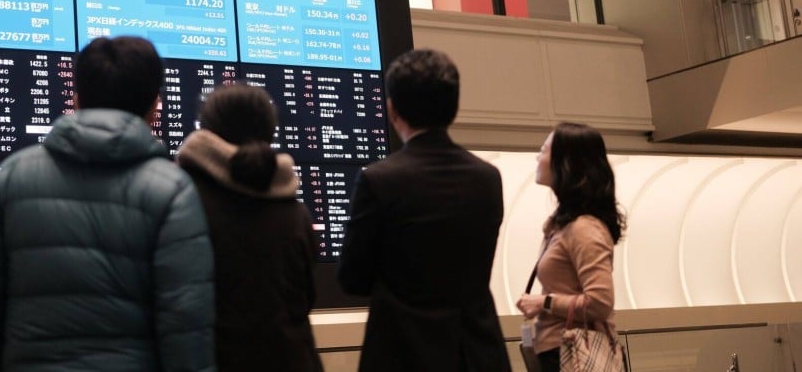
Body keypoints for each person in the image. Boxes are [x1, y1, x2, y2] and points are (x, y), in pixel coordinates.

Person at [0, 36, 215, 372]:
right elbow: (186, 324)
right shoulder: (173, 190)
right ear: (155, 105)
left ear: (75, 99)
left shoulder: (10, 179)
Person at [337, 48, 510, 371]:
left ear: (392, 109)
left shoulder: (378, 179)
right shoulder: (488, 178)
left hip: (402, 354)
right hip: (476, 354)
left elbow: (353, 279)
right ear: (454, 107)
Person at [176, 82, 322, 372]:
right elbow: (306, 299)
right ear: (270, 131)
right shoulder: (296, 212)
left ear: (207, 130)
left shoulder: (184, 202)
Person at [515, 122, 626, 372]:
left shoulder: (584, 229)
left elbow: (600, 301)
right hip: (559, 353)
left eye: (544, 150)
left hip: (571, 355)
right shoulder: (564, 227)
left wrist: (544, 302)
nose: (537, 157)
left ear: (565, 163)